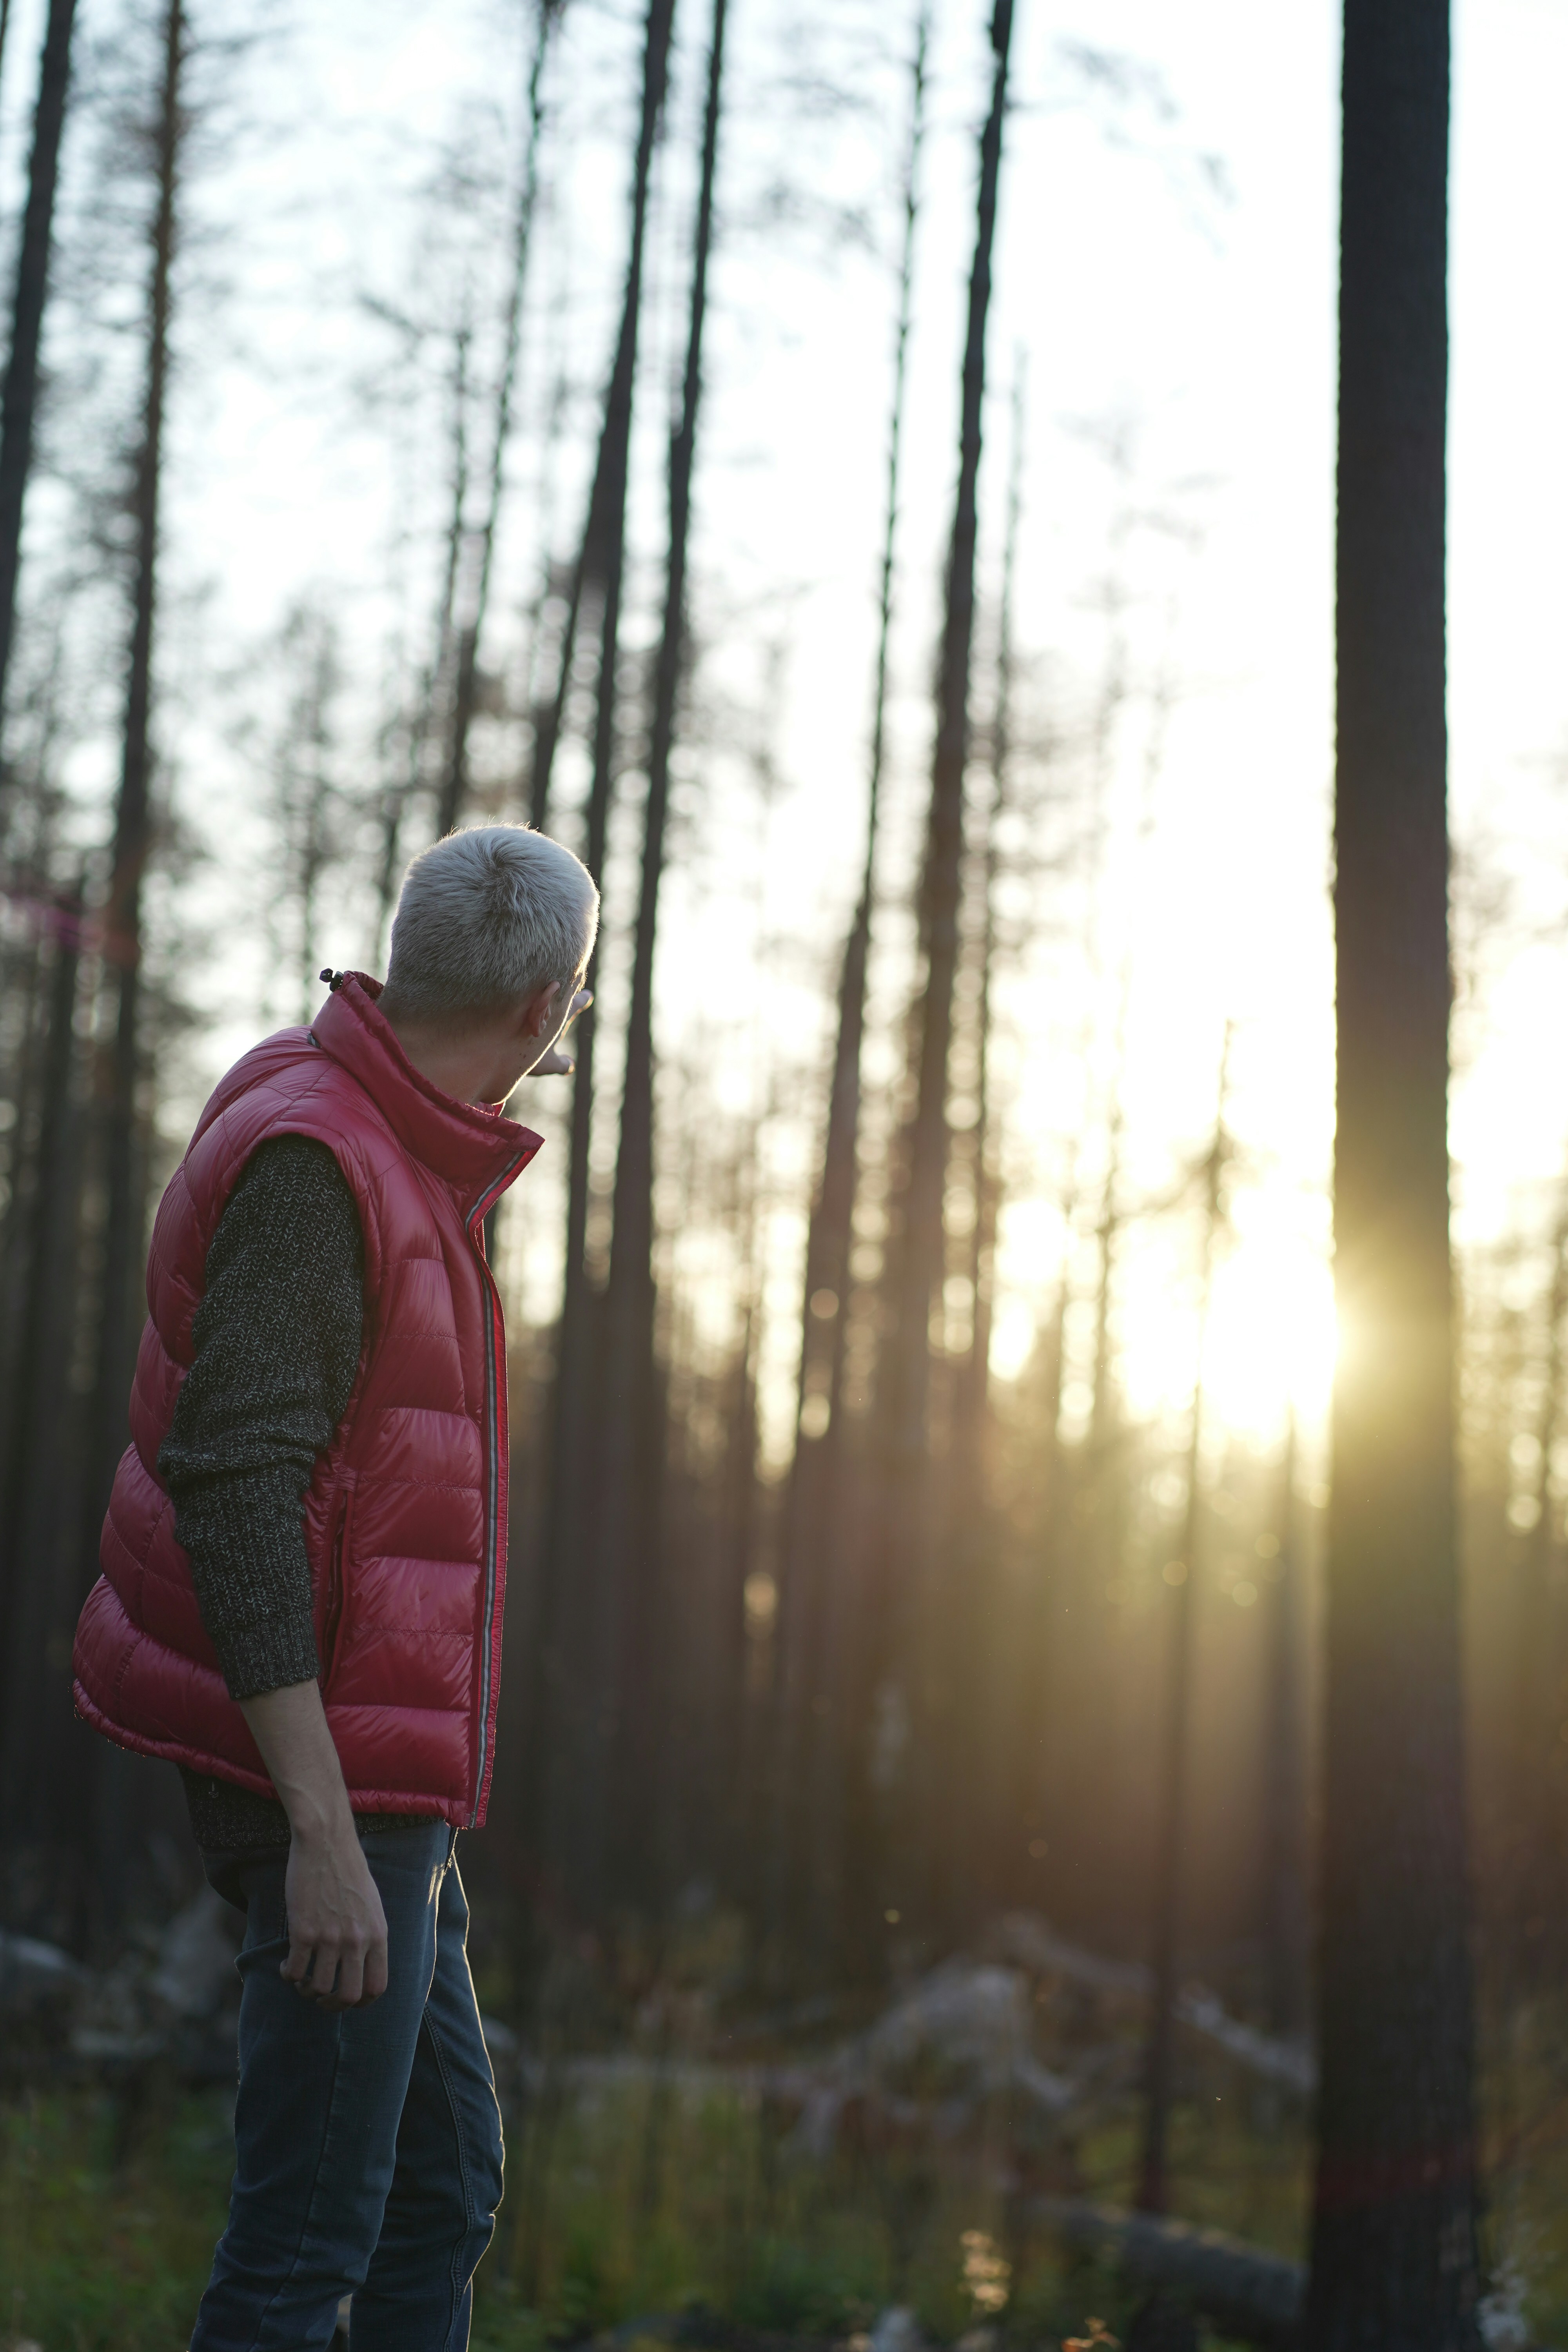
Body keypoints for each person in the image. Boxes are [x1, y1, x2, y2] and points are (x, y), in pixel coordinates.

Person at [72, 823, 598, 2350]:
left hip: (377, 1781)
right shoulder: (321, 1162)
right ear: (543, 1005)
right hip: (328, 1785)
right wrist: (318, 1833)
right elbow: (232, 1486)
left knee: (440, 2193)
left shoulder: (379, 1120)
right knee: (304, 2251)